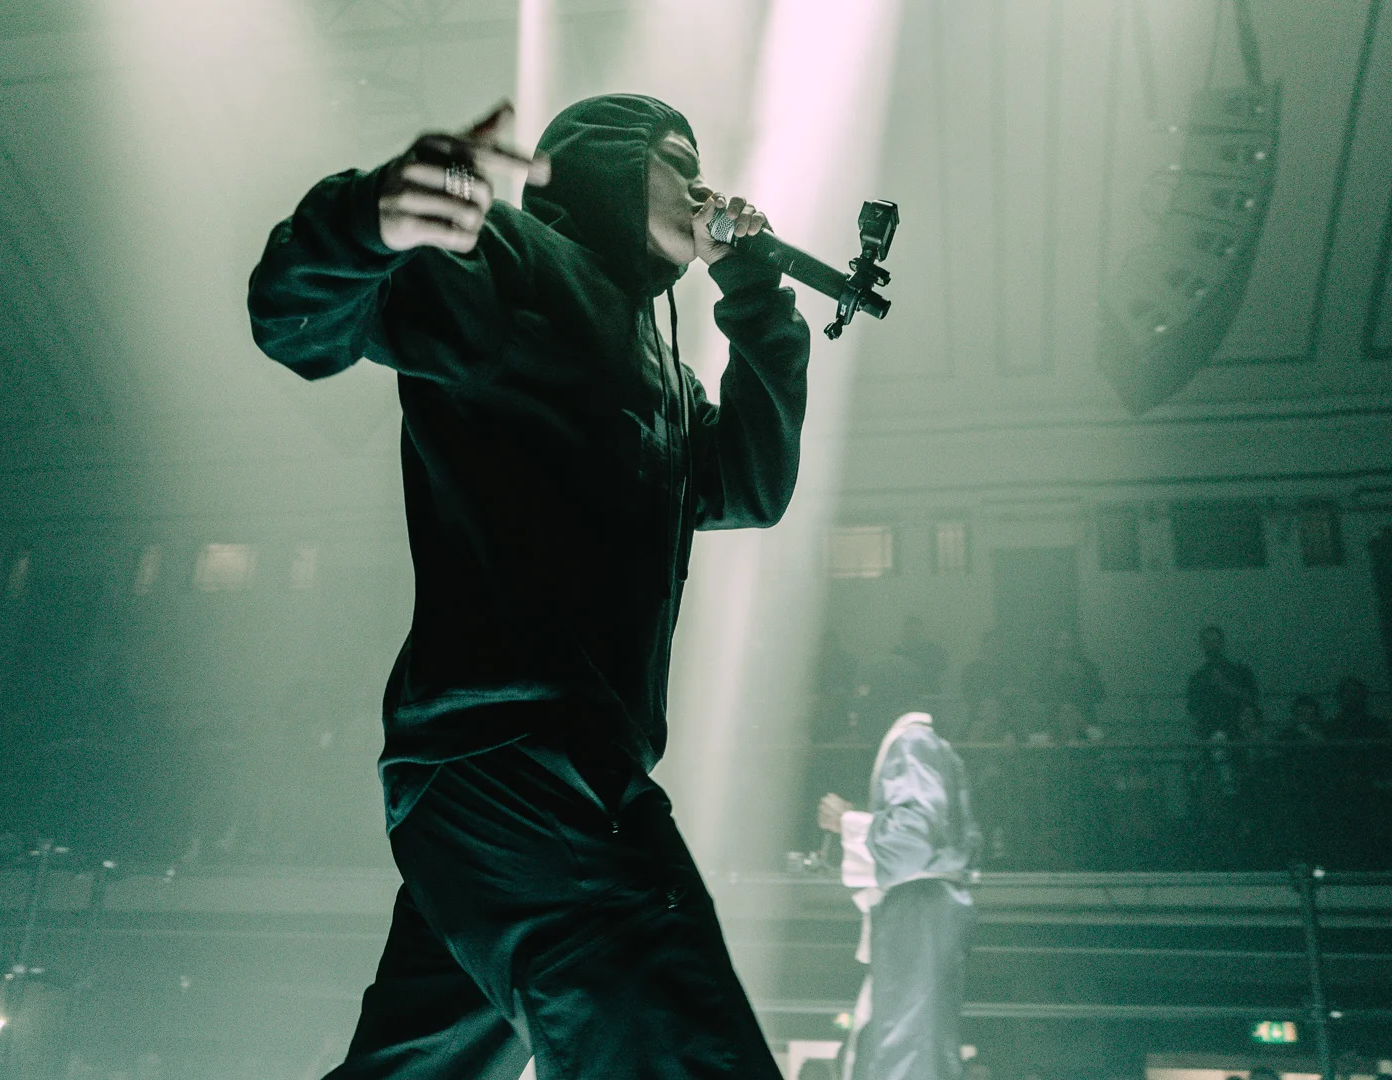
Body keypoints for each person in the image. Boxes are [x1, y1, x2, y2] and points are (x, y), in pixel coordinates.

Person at [248, 95, 810, 1078]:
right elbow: (297, 320)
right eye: (677, 162)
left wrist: (756, 298)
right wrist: (374, 215)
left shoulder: (665, 370)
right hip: (517, 760)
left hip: (513, 780)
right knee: (679, 1045)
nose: (702, 186)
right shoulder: (513, 262)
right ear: (609, 166)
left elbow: (751, 486)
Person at [818, 711, 981, 1080]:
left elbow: (912, 841)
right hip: (926, 904)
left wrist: (848, 822)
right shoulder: (932, 748)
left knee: (906, 1043)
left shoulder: (912, 741)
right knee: (911, 1040)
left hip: (919, 904)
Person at [1186, 625, 1259, 740]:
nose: (1211, 646)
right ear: (1202, 645)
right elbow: (1193, 707)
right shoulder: (1197, 677)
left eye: (1215, 641)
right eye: (1207, 642)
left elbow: (1252, 697)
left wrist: (1227, 687)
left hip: (1237, 729)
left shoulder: (1240, 672)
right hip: (1208, 731)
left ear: (1222, 643)